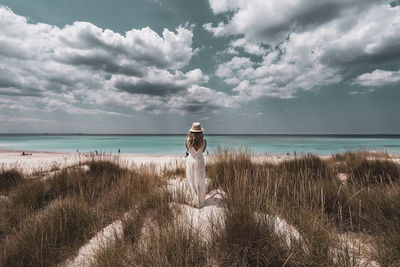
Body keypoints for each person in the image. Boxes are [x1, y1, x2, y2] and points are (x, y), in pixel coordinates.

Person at [185, 122, 207, 208]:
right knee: (200, 180)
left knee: (192, 180)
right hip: (200, 161)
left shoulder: (187, 141)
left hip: (191, 161)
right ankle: (201, 201)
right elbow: (203, 151)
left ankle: (194, 200)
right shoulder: (204, 141)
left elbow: (188, 149)